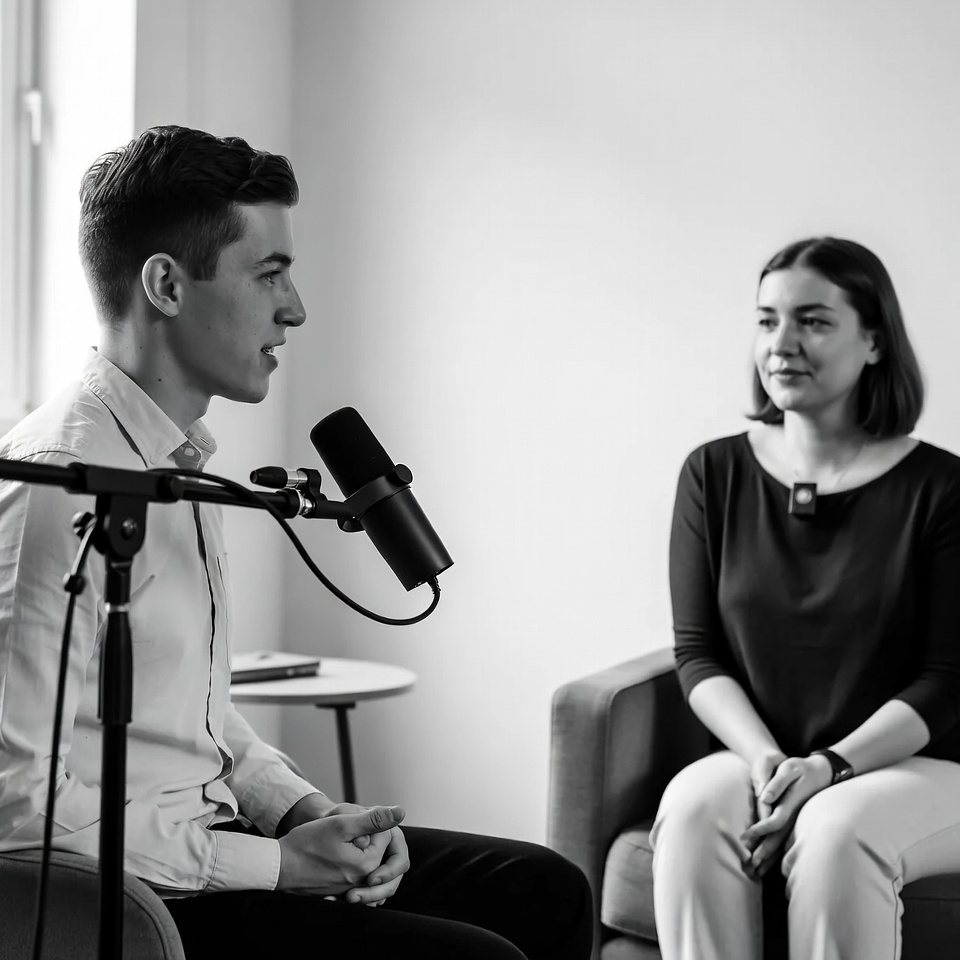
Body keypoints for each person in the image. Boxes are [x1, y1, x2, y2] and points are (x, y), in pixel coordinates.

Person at [0, 125, 591, 960]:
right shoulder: (59, 484)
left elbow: (200, 722)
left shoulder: (178, 462)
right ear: (166, 285)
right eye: (269, 273)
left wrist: (303, 811)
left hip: (217, 838)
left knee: (542, 889)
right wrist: (274, 865)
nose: (296, 307)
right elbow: (18, 806)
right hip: (142, 895)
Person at [650, 236, 960, 960]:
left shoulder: (942, 489)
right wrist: (765, 762)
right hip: (767, 753)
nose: (781, 344)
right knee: (694, 807)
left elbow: (948, 680)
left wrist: (830, 767)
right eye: (766, 320)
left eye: (813, 321)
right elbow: (698, 653)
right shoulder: (712, 473)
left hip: (917, 766)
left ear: (875, 341)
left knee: (837, 827)